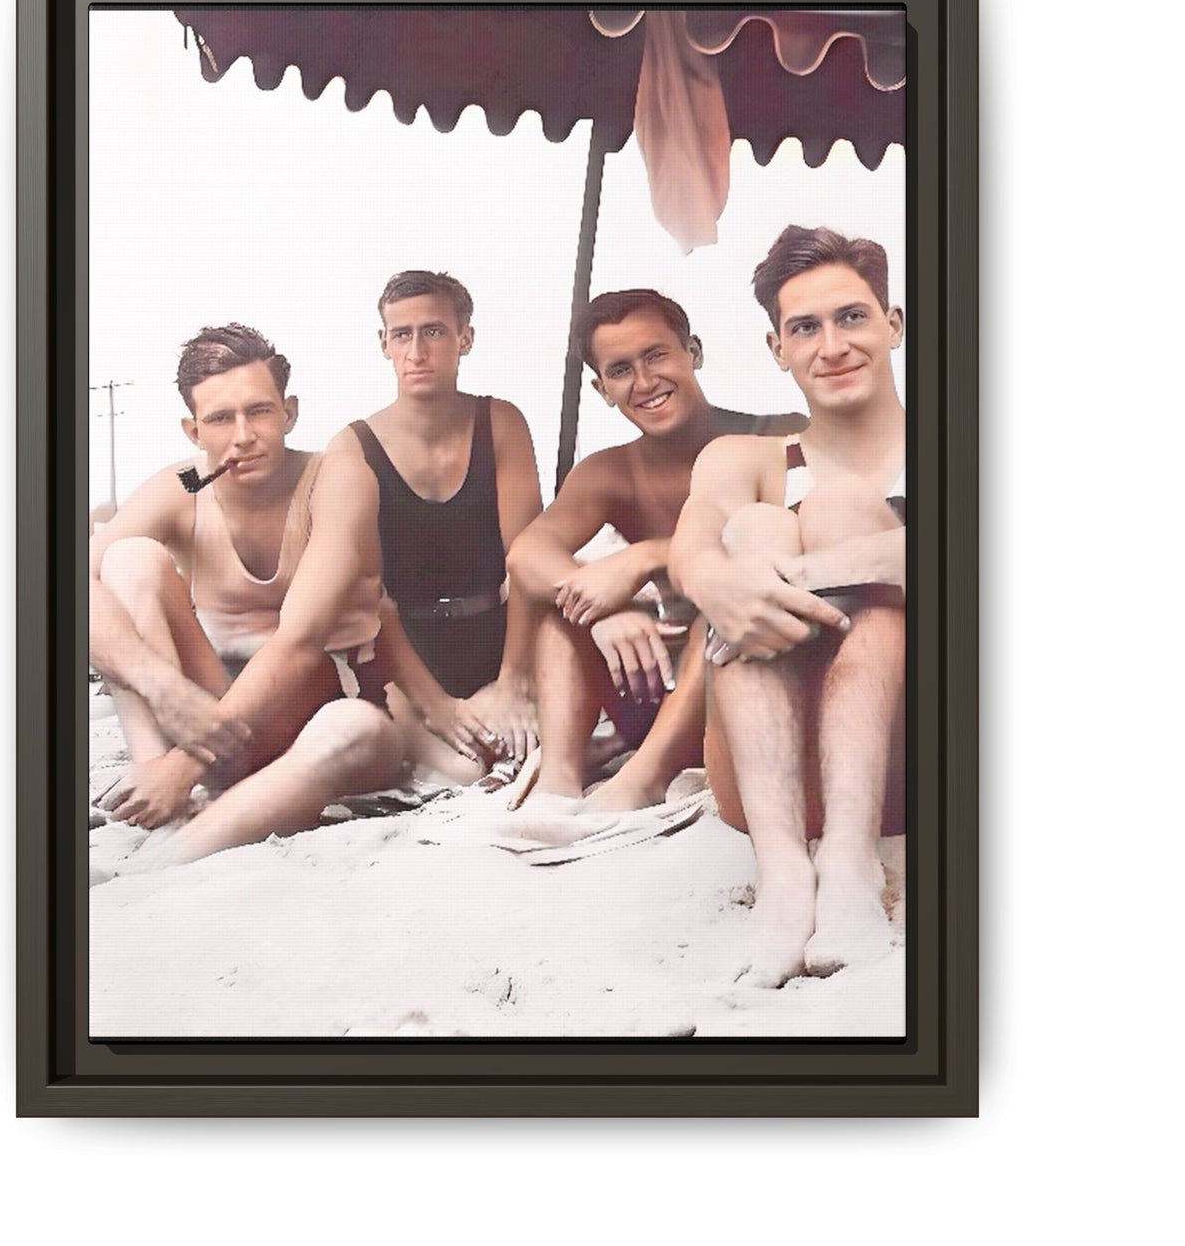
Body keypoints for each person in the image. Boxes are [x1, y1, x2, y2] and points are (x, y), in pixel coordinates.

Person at [669, 226, 906, 988]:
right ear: (777, 348)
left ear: (892, 324)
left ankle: (847, 861)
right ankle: (784, 875)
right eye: (804, 327)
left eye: (851, 317)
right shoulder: (742, 457)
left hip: (908, 759)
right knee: (752, 526)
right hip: (764, 771)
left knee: (835, 510)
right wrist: (728, 579)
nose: (831, 344)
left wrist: (804, 573)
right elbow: (691, 553)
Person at [88, 323, 419, 867]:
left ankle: (155, 864)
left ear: (288, 411)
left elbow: (300, 640)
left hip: (318, 724)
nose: (243, 435)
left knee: (354, 727)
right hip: (206, 720)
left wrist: (185, 765)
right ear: (193, 429)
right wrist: (163, 687)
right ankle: (155, 795)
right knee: (127, 559)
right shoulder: (182, 487)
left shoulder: (335, 476)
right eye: (220, 418)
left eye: (259, 411)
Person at [506, 288, 804, 808]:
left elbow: (805, 541)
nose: (644, 383)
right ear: (601, 388)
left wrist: (644, 555)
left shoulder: (777, 437)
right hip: (647, 678)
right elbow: (527, 554)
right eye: (621, 370)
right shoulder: (610, 470)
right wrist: (605, 614)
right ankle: (559, 781)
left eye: (656, 355)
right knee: (564, 614)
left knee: (711, 614)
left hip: (747, 670)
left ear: (694, 351)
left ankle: (643, 781)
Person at [328, 270, 544, 771]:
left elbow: (528, 560)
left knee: (525, 750)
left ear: (464, 337)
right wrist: (435, 706)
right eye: (402, 335)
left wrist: (513, 680)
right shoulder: (352, 446)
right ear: (383, 343)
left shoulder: (500, 422)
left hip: (497, 634)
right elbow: (366, 592)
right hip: (406, 652)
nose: (417, 351)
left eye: (434, 332)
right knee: (464, 774)